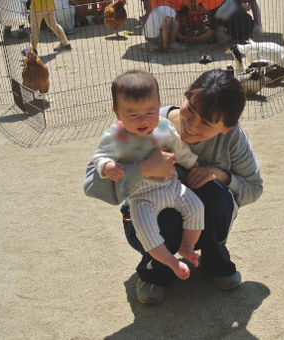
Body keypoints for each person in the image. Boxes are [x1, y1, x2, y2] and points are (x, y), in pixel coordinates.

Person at [83, 69, 263, 305]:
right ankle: (155, 269)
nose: (191, 125)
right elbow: (92, 182)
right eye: (191, 110)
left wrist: (220, 175)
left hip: (188, 206)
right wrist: (143, 169)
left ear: (226, 128)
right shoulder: (145, 119)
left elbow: (253, 187)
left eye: (206, 123)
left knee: (216, 195)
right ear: (186, 95)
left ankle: (214, 256)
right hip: (146, 209)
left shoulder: (232, 138)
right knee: (165, 219)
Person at [91, 70, 205, 286]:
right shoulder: (116, 136)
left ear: (159, 106)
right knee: (147, 232)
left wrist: (190, 162)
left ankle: (187, 246)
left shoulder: (162, 126)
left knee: (197, 207)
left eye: (150, 112)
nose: (143, 120)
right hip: (141, 197)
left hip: (171, 186)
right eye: (133, 115)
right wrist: (107, 166)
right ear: (117, 113)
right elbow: (99, 156)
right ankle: (171, 263)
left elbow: (179, 149)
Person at [181, 0, 253, 44]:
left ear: (203, 6)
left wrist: (190, 40)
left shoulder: (214, 15)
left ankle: (236, 39)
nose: (200, 11)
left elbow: (207, 35)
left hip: (240, 33)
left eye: (200, 8)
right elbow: (247, 7)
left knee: (217, 32)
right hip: (249, 24)